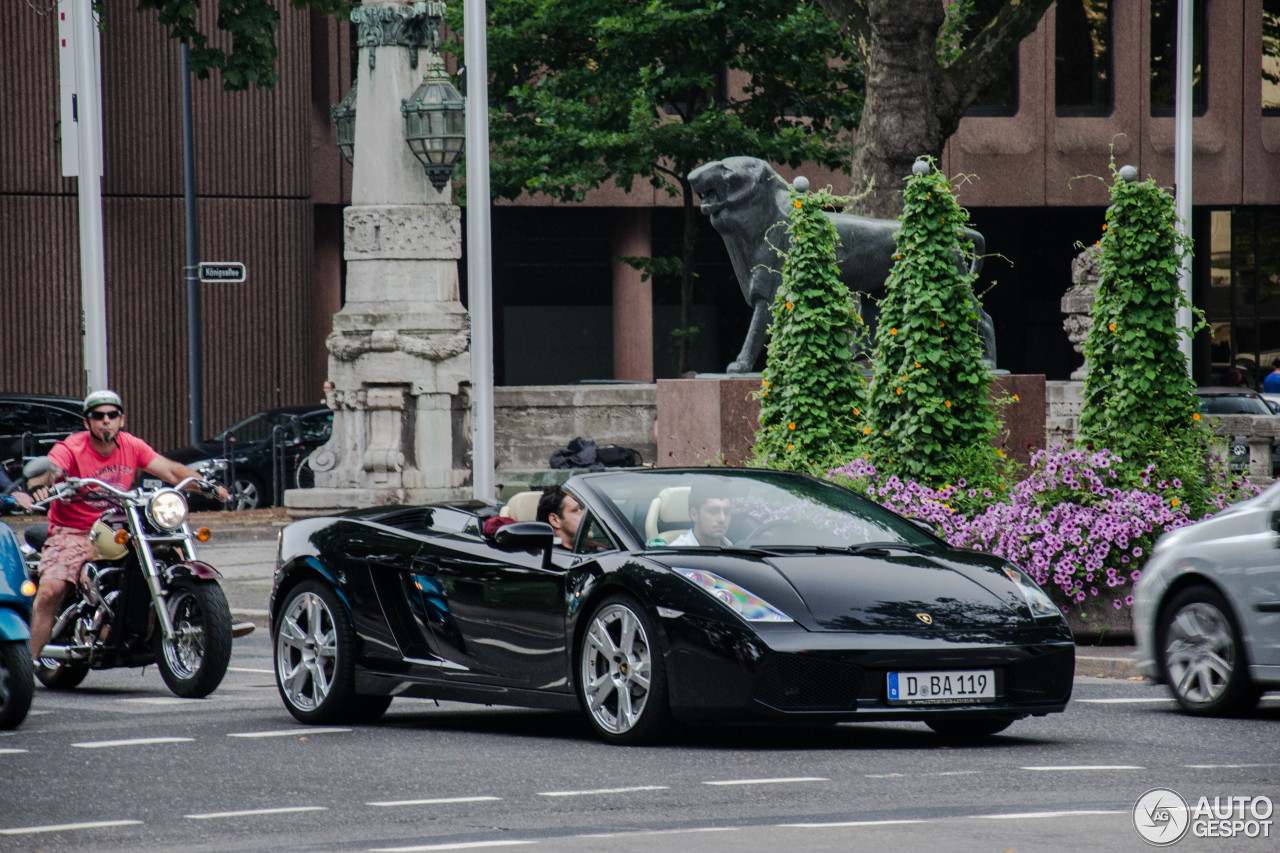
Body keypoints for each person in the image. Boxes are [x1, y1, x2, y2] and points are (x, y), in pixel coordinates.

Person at [26, 389, 229, 662]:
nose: (106, 421)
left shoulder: (132, 445)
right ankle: (25, 669)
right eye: (98, 416)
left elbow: (171, 471)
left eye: (112, 415)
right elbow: (51, 469)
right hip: (74, 530)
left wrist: (207, 485)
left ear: (122, 420)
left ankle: (201, 617)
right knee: (51, 590)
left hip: (115, 526)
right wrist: (42, 483)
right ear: (87, 422)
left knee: (170, 552)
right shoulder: (72, 447)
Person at [669, 481, 733, 547]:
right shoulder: (676, 553)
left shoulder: (733, 550)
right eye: (713, 511)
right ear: (694, 514)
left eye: (726, 512)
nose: (722, 519)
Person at [536, 485, 583, 550]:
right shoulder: (549, 555)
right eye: (579, 509)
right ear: (555, 520)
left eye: (586, 510)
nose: (589, 515)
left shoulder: (597, 548)